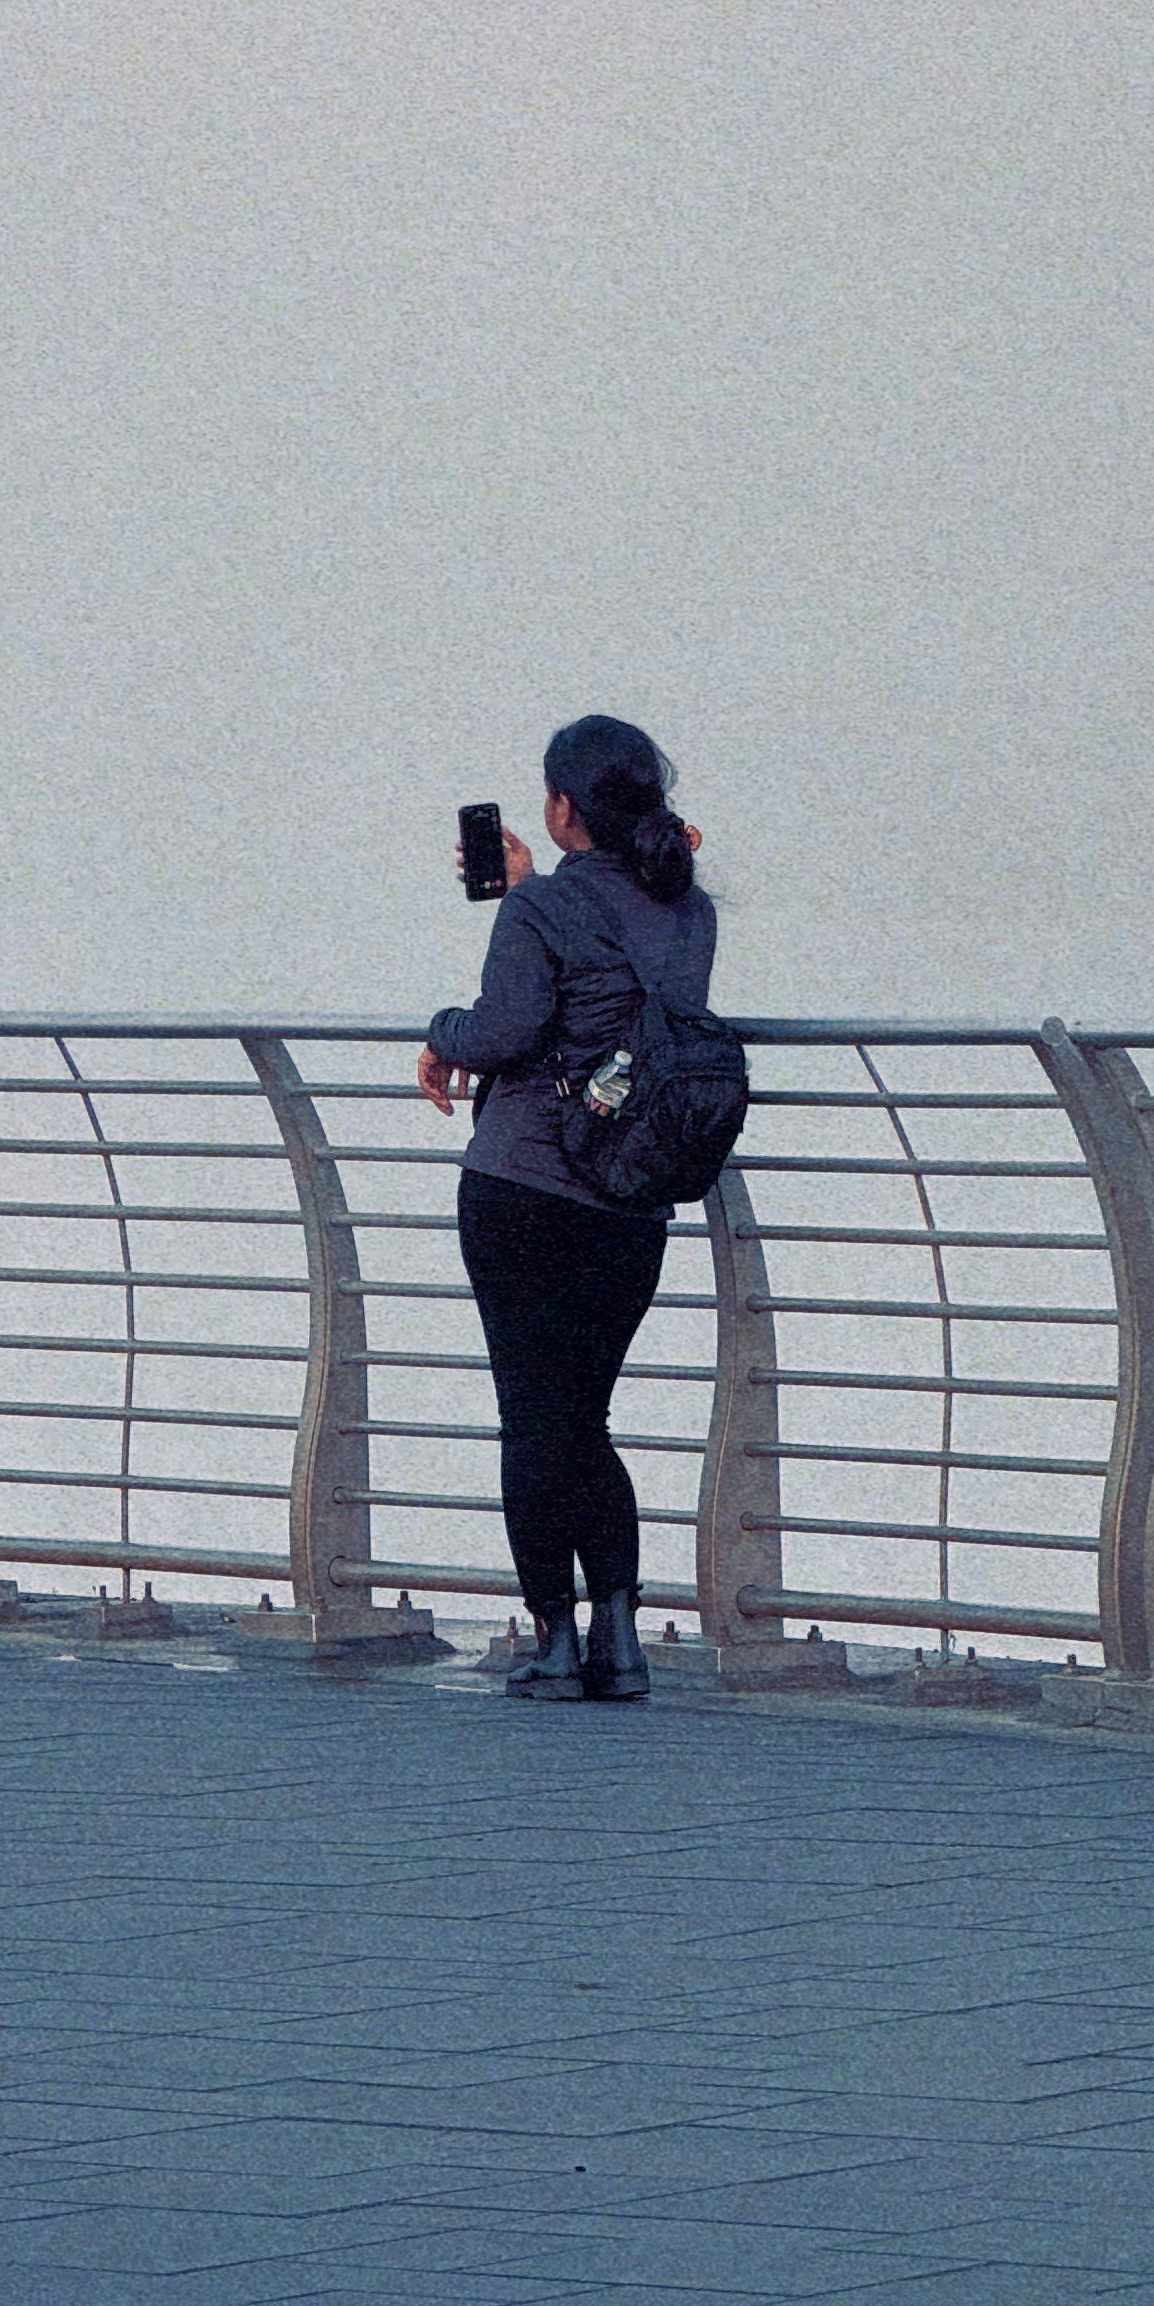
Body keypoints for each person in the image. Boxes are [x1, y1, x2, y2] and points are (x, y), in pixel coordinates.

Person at [419, 714, 713, 1705]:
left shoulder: (537, 911)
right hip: (631, 1196)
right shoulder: (690, 912)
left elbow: (504, 1028)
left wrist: (439, 1031)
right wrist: (528, 888)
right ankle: (620, 1641)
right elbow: (614, 981)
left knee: (535, 1423)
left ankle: (552, 1641)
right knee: (585, 1417)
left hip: (525, 1190)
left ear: (559, 808)